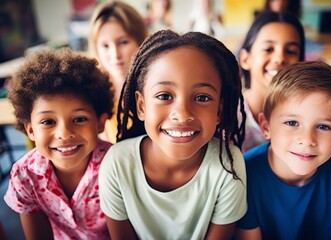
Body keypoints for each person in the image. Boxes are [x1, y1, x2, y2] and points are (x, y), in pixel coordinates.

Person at [98, 30, 247, 239]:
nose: (183, 114)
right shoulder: (117, 164)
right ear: (142, 106)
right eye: (164, 96)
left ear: (219, 112)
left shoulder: (228, 165)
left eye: (202, 98)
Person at [236, 61, 331, 239]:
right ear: (266, 127)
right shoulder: (244, 177)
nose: (308, 140)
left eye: (323, 127)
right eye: (292, 123)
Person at [3, 48, 114, 239]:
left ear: (101, 123)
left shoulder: (116, 166)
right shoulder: (25, 175)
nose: (64, 133)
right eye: (48, 122)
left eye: (79, 119)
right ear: (30, 129)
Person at [238, 11, 305, 152]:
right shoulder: (227, 115)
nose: (279, 58)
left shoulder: (306, 116)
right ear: (245, 59)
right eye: (268, 49)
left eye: (291, 51)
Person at [88, 1, 148, 143]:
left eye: (123, 42)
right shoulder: (95, 95)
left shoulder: (156, 87)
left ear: (141, 41)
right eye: (105, 45)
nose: (115, 54)